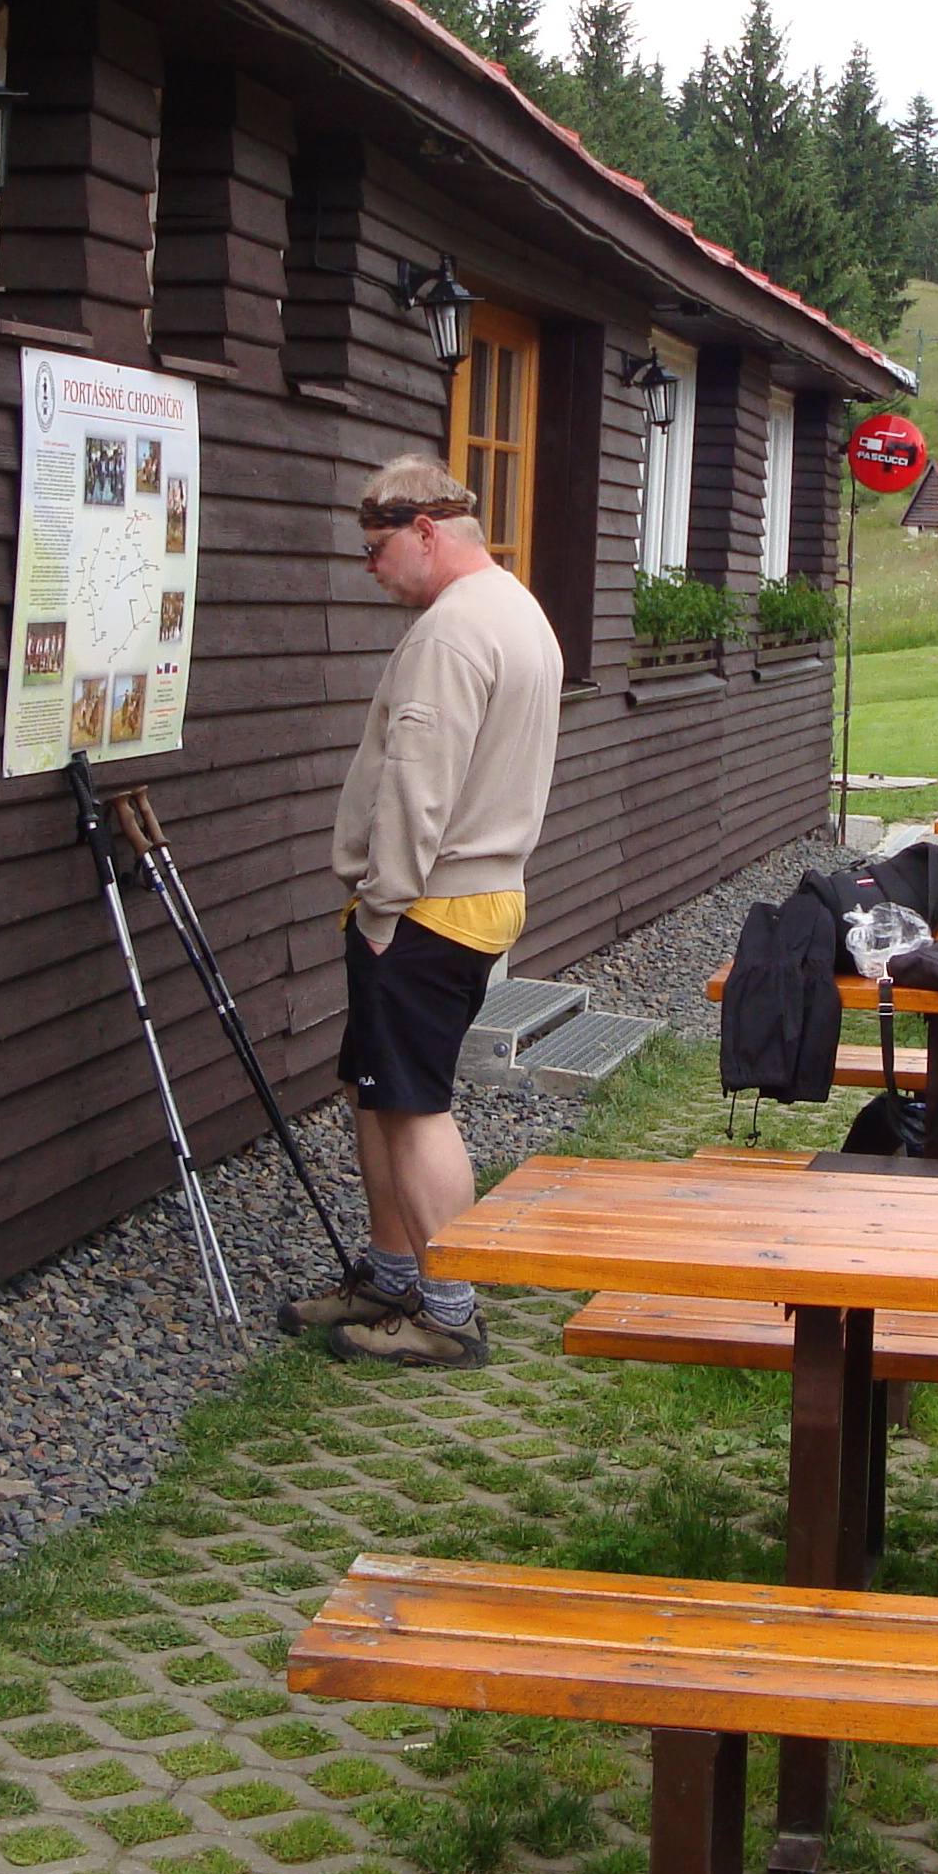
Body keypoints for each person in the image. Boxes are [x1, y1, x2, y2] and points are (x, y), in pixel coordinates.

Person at [285, 453, 564, 1365]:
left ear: (425, 531)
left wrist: (380, 907)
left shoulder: (451, 632)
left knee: (412, 1105)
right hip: (466, 897)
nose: (370, 568)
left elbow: (417, 787)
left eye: (376, 549)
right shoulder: (515, 608)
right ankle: (391, 1274)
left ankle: (447, 1314)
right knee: (377, 1092)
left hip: (425, 907)